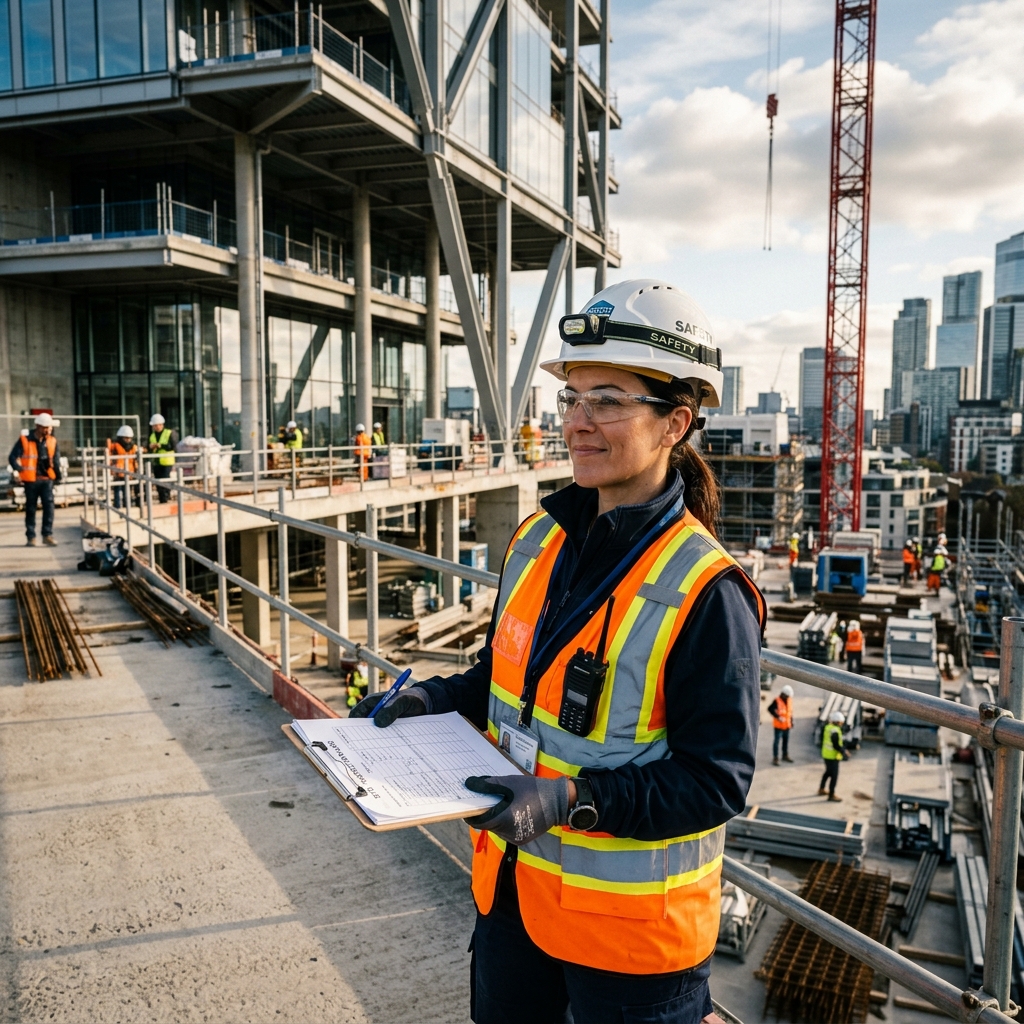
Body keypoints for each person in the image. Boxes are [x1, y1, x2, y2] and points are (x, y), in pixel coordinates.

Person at [349, 279, 766, 1023]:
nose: (577, 422)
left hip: (633, 951)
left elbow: (716, 781)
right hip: (516, 901)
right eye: (572, 398)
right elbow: (506, 682)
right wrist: (431, 700)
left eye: (607, 400)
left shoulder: (706, 589)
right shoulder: (537, 540)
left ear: (675, 423)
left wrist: (574, 800)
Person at [9, 413, 62, 547]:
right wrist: (19, 470)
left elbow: (56, 461)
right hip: (31, 481)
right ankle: (31, 537)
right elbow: (12, 457)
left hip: (47, 480)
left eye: (49, 427)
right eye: (46, 427)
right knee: (31, 509)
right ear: (38, 426)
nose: (49, 430)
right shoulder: (25, 440)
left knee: (49, 508)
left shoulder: (52, 441)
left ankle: (47, 535)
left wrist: (58, 476)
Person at [818, 710, 848, 801]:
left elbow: (822, 739)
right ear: (838, 722)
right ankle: (831, 795)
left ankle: (821, 789)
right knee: (834, 776)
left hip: (826, 754)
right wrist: (844, 751)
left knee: (827, 772)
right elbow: (836, 745)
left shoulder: (827, 727)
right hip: (832, 756)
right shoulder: (835, 731)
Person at [147, 413, 177, 502]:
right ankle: (162, 498)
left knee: (165, 480)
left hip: (167, 461)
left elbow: (173, 446)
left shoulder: (169, 433)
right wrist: (150, 447)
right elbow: (149, 447)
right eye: (154, 426)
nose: (156, 427)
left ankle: (166, 497)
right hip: (156, 462)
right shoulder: (152, 435)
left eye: (158, 425)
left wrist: (160, 446)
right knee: (158, 481)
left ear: (162, 424)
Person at [108, 425, 139, 510]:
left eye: (129, 438)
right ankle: (117, 506)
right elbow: (109, 455)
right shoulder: (115, 446)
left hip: (129, 473)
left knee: (127, 491)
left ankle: (127, 506)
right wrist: (112, 469)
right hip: (118, 473)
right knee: (117, 490)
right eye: (126, 438)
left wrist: (136, 470)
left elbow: (136, 459)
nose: (128, 440)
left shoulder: (133, 447)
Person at [768, 684, 794, 765]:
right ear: (783, 694)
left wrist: (791, 721)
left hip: (787, 726)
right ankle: (775, 758)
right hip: (778, 727)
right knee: (776, 742)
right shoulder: (777, 701)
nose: (788, 697)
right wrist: (778, 717)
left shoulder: (789, 700)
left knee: (785, 742)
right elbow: (770, 709)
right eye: (787, 696)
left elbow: (790, 712)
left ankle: (785, 755)